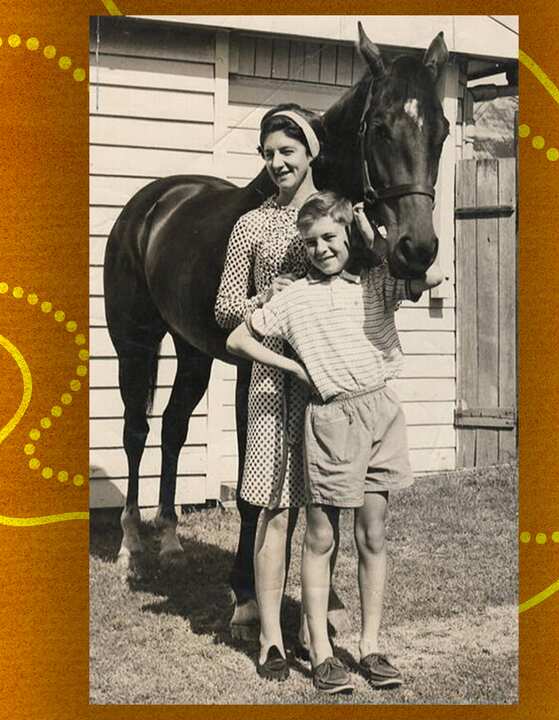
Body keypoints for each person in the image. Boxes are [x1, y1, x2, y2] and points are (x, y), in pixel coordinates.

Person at [225, 191, 444, 693]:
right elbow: (238, 339)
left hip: (381, 413)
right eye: (312, 241)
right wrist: (294, 366)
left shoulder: (377, 283)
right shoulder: (294, 297)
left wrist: (374, 239)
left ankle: (369, 645)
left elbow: (431, 275)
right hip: (331, 418)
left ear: (348, 236)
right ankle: (322, 652)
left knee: (373, 533)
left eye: (331, 237)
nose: (322, 248)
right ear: (303, 247)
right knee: (321, 536)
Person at [214, 103, 338, 681]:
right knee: (271, 509)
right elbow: (223, 307)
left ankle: (318, 638)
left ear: (310, 151)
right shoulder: (251, 225)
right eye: (268, 154)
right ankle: (269, 638)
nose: (277, 163)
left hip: (324, 379)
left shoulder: (333, 216)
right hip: (269, 380)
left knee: (322, 511)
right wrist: (265, 299)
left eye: (287, 151)